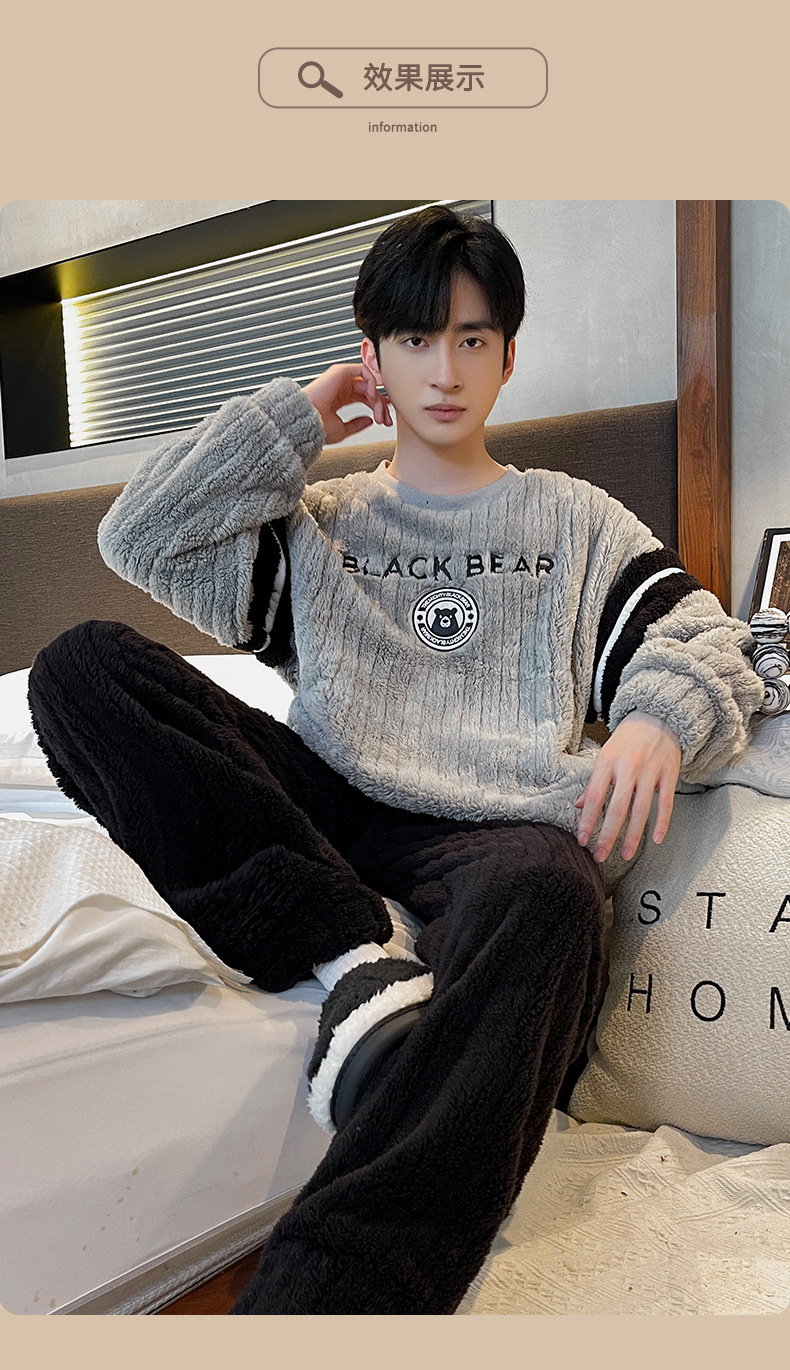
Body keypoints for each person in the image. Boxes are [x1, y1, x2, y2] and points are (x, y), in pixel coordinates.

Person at [26, 206, 764, 1315]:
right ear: (372, 356)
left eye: (472, 338)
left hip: (493, 833)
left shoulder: (575, 522)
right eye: (415, 339)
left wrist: (657, 716)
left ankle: (325, 1304)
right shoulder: (319, 521)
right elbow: (139, 535)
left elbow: (711, 639)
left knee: (556, 892)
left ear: (508, 356)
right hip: (325, 801)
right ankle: (351, 958)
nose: (445, 369)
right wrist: (301, 414)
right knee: (79, 666)